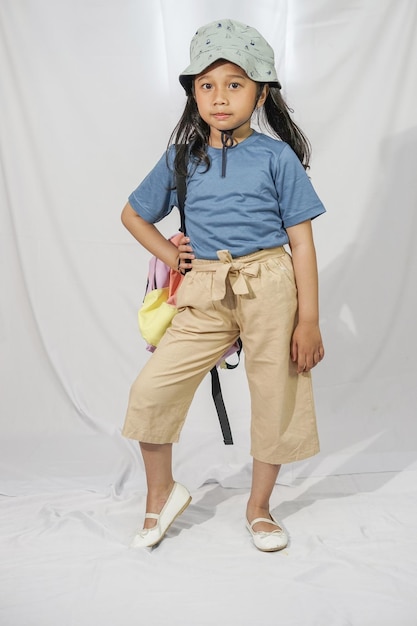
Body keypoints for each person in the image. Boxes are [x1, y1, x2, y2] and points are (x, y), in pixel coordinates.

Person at [121, 18, 325, 552]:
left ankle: (258, 507)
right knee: (151, 390)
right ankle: (160, 494)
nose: (219, 97)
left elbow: (301, 243)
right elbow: (133, 215)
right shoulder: (182, 158)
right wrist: (173, 254)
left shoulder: (277, 157)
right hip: (206, 288)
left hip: (270, 285)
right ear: (192, 92)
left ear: (260, 92)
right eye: (207, 85)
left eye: (235, 83)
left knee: (274, 395)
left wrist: (309, 319)